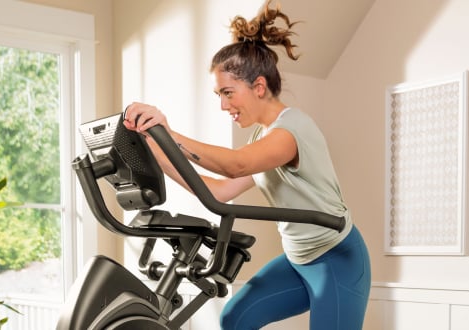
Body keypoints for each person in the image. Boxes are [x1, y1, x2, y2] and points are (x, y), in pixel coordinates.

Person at [121, 1, 371, 329]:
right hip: (298, 259)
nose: (224, 105)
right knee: (235, 318)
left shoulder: (291, 130)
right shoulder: (262, 135)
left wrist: (168, 133)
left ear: (259, 86)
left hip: (337, 259)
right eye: (218, 95)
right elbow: (221, 190)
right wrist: (158, 153)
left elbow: (235, 166)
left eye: (228, 93)